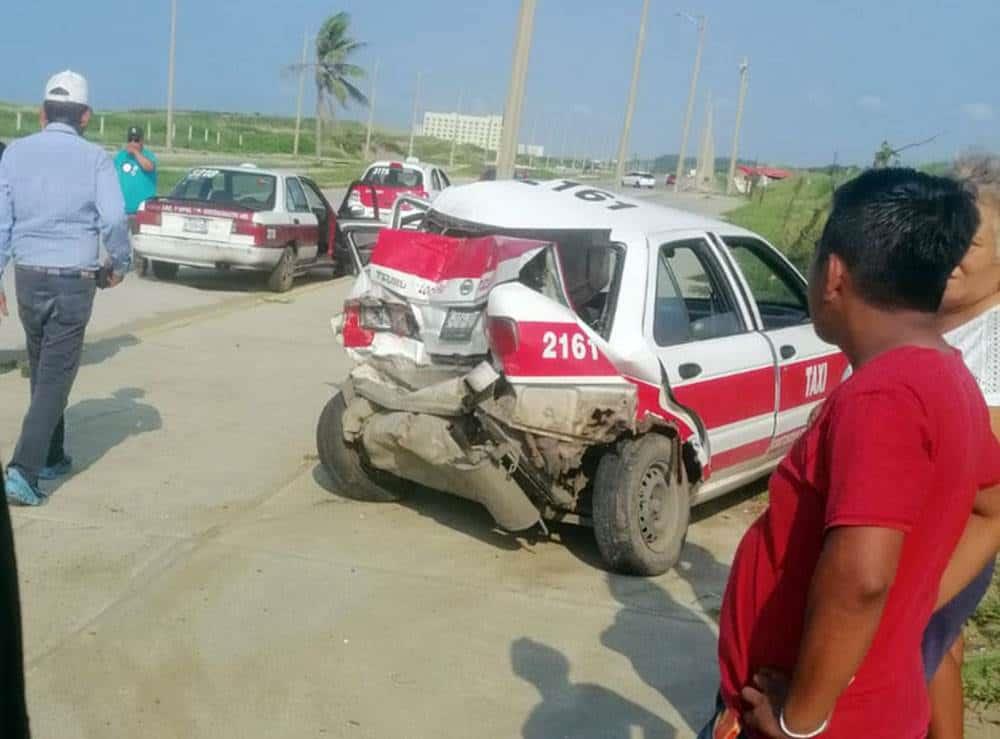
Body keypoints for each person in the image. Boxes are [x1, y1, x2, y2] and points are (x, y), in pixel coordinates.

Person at [698, 168, 1000, 739]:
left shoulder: (887, 396)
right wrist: (909, 607)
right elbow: (990, 503)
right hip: (872, 700)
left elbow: (861, 575)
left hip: (825, 717)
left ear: (833, 274)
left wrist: (799, 722)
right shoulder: (947, 374)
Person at [0, 70, 131, 506]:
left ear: (41, 114)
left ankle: (53, 454)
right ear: (86, 116)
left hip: (28, 277)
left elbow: (3, 223)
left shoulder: (14, 154)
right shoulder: (95, 159)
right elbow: (113, 220)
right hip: (74, 282)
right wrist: (121, 262)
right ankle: (23, 470)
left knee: (42, 368)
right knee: (55, 376)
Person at [924, 154, 1000, 739]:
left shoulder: (993, 343)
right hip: (909, 535)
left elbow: (990, 501)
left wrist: (923, 593)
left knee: (921, 647)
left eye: (968, 245)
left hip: (950, 544)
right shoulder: (932, 317)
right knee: (939, 653)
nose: (949, 255)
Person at [114, 125, 157, 216]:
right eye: (130, 140)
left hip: (143, 210)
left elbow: (149, 167)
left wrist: (136, 153)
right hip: (122, 210)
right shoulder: (120, 156)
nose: (132, 143)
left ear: (142, 141)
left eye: (136, 140)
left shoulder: (148, 155)